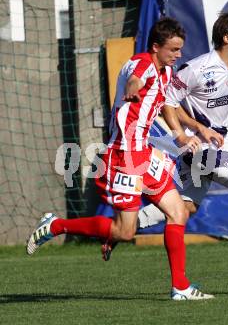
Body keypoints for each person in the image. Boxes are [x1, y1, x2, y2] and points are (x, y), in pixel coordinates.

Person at [26, 17, 214, 301]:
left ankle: (181, 287)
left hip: (144, 153)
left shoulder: (164, 72)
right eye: (173, 50)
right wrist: (133, 87)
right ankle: (55, 226)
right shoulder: (143, 64)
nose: (178, 55)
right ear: (155, 47)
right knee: (124, 232)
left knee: (178, 211)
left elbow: (162, 107)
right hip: (124, 155)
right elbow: (137, 77)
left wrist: (181, 135)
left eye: (180, 49)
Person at [109, 7, 228, 274]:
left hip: (212, 144)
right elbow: (167, 101)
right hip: (198, 149)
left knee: (185, 208)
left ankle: (119, 230)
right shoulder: (196, 69)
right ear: (227, 38)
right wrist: (185, 133)